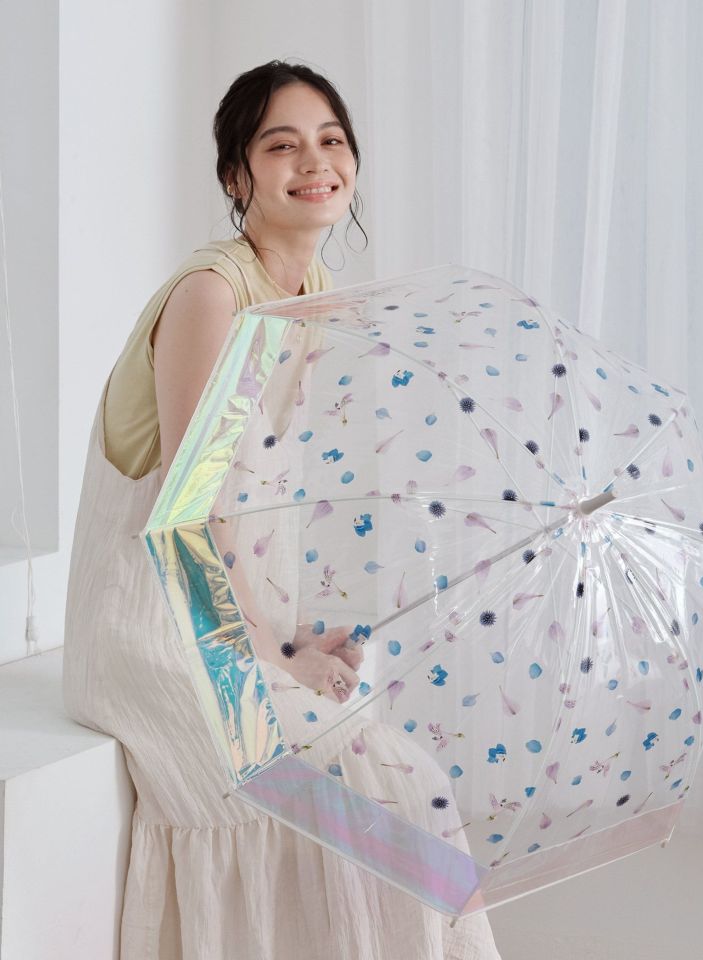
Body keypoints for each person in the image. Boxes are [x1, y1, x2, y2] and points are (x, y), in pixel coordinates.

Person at [62, 60, 503, 959]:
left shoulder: (307, 300)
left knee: (405, 785)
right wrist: (269, 655)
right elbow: (191, 519)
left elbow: (255, 511)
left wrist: (290, 640)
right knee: (328, 792)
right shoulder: (213, 296)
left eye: (332, 140)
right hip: (155, 631)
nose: (315, 161)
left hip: (225, 623)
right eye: (281, 144)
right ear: (238, 176)